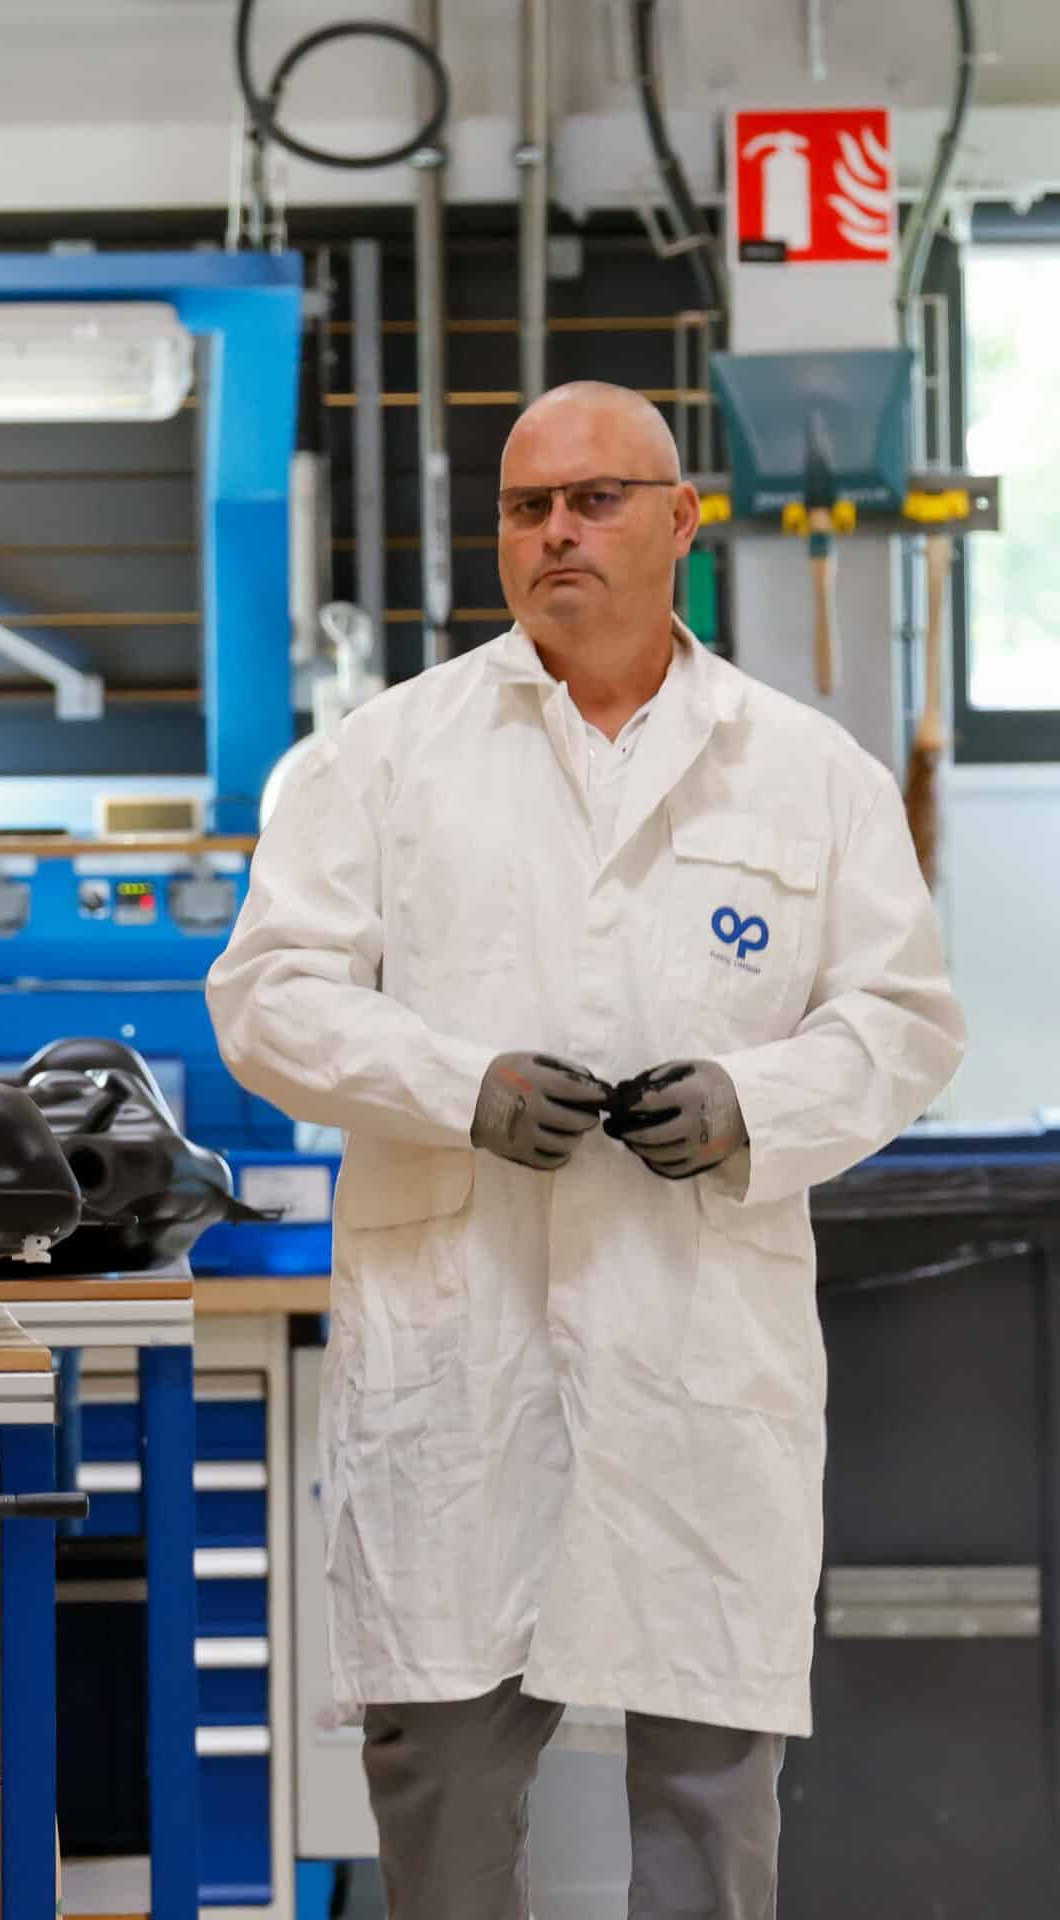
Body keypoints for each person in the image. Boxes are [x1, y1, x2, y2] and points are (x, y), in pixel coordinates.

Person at [207, 381, 966, 1917]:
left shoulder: (806, 772)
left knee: (708, 1798)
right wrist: (451, 1084)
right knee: (447, 1797)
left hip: (697, 1363)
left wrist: (755, 1106)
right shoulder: (384, 760)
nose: (555, 530)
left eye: (595, 498)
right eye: (524, 507)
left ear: (681, 520)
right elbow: (265, 1000)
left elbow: (905, 1020)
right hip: (462, 1364)